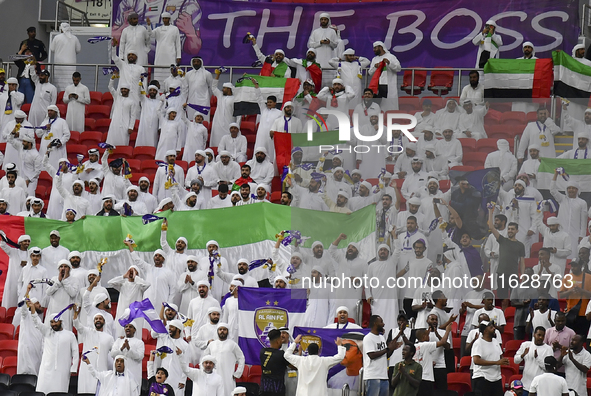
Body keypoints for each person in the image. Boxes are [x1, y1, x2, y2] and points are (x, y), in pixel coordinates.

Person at [30, 306, 79, 394]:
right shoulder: (47, 332)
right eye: (51, 322)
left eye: (55, 321)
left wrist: (74, 367)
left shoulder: (70, 335)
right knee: (42, 391)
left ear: (61, 321)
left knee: (59, 392)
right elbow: (37, 322)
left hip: (62, 370)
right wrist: (33, 308)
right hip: (46, 368)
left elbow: (75, 353)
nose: (53, 324)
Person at [487, 205, 526, 299]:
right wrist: (490, 211)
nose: (510, 231)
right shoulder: (502, 240)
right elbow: (491, 227)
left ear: (517, 231)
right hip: (501, 273)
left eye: (512, 229)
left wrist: (523, 276)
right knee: (501, 297)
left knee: (514, 298)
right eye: (509, 229)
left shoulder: (520, 245)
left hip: (513, 274)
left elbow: (522, 262)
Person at [74, 310, 115, 395]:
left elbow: (115, 353)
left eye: (100, 318)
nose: (98, 320)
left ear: (104, 321)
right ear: (93, 322)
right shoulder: (87, 332)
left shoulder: (109, 338)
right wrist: (75, 313)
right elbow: (77, 324)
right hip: (86, 371)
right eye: (96, 319)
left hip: (101, 371)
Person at [550, 172, 587, 260]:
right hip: (561, 233)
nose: (571, 190)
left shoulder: (582, 203)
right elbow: (552, 190)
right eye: (569, 188)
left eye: (573, 188)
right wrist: (555, 175)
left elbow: (584, 221)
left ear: (577, 190)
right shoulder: (562, 199)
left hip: (575, 234)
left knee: (573, 256)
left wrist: (582, 235)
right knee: (560, 256)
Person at [108, 267, 151, 337]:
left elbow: (147, 285)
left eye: (134, 271)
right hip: (122, 312)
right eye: (130, 271)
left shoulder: (139, 286)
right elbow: (110, 283)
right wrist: (123, 276)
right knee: (120, 333)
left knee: (135, 333)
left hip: (135, 314)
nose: (131, 272)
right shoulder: (123, 284)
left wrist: (135, 277)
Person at [204, 323, 245, 396]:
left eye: (224, 329)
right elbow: (204, 358)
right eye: (220, 329)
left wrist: (237, 373)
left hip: (228, 377)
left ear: (228, 331)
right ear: (217, 331)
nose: (222, 331)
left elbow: (241, 358)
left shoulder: (233, 344)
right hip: (213, 375)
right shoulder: (212, 344)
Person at [471, 320, 508, 396]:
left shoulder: (495, 341)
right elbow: (476, 360)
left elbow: (500, 356)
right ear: (485, 331)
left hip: (496, 378)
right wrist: (496, 362)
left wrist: (504, 360)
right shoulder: (478, 343)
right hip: (483, 378)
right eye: (491, 327)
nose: (494, 328)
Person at [513, 326, 553, 393]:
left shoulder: (548, 349)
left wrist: (537, 358)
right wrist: (522, 356)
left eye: (543, 336)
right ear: (534, 334)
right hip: (526, 385)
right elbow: (515, 361)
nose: (541, 338)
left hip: (540, 387)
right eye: (539, 335)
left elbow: (548, 368)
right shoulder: (525, 345)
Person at [363, 315, 396, 396]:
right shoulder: (368, 338)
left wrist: (392, 349)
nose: (383, 324)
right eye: (381, 322)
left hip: (384, 376)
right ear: (375, 323)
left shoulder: (382, 337)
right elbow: (371, 355)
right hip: (372, 376)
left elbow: (386, 356)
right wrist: (388, 349)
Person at [559, 259, 591, 336]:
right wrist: (570, 291)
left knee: (581, 338)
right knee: (569, 337)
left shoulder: (588, 277)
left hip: (583, 313)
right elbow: (561, 295)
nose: (573, 268)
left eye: (575, 266)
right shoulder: (567, 277)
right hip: (570, 312)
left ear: (581, 266)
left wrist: (582, 291)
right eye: (572, 266)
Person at [147, 12, 181, 81]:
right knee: (159, 71)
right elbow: (151, 34)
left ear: (169, 19)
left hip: (171, 54)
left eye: (166, 18)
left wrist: (178, 56)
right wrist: (148, 26)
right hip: (160, 54)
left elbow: (178, 43)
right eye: (163, 18)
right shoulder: (158, 29)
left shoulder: (174, 29)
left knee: (170, 71)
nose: (165, 20)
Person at [307, 13, 340, 87]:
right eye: (322, 19)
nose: (323, 21)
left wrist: (329, 43)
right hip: (318, 58)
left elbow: (335, 44)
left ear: (328, 21)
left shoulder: (332, 32)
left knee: (329, 82)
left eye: (325, 19)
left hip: (329, 59)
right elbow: (310, 45)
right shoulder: (315, 32)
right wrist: (320, 42)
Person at [369, 41, 401, 111]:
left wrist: (389, 63)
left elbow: (398, 68)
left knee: (390, 104)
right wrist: (375, 67)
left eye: (375, 48)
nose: (374, 50)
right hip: (378, 87)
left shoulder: (391, 57)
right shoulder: (374, 59)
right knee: (379, 105)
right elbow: (370, 72)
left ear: (381, 47)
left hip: (390, 86)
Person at [210, 70, 238, 147]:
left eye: (224, 88)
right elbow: (214, 88)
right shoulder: (220, 96)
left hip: (229, 122)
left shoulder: (235, 99)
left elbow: (238, 114)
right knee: (217, 141)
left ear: (229, 89)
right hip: (218, 123)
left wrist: (236, 125)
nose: (222, 89)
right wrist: (217, 75)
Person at [106, 78, 138, 147]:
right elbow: (110, 87)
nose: (123, 90)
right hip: (114, 125)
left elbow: (133, 116)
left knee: (123, 144)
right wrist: (113, 77)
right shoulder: (117, 97)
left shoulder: (131, 102)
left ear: (128, 90)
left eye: (125, 89)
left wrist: (131, 127)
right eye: (122, 89)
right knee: (111, 143)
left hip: (125, 126)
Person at [49, 23, 81, 91]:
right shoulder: (74, 38)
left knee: (59, 81)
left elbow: (52, 49)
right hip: (71, 65)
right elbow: (78, 50)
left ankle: (61, 96)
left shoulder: (57, 37)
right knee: (70, 82)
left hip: (59, 64)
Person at [259, 329, 290, 396]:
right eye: (281, 339)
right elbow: (293, 366)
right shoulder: (281, 354)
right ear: (278, 341)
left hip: (264, 388)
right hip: (277, 390)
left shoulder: (262, 351)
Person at [18, 296, 43, 375]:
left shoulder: (38, 319)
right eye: (37, 303)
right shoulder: (26, 316)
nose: (40, 305)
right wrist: (25, 302)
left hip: (37, 350)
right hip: (27, 350)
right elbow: (23, 310)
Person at [185, 57, 213, 121]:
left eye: (198, 62)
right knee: (191, 121)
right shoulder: (188, 74)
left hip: (203, 102)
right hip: (191, 101)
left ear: (201, 62)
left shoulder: (207, 74)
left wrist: (207, 98)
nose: (196, 63)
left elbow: (211, 88)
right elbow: (185, 89)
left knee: (203, 121)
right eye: (194, 62)